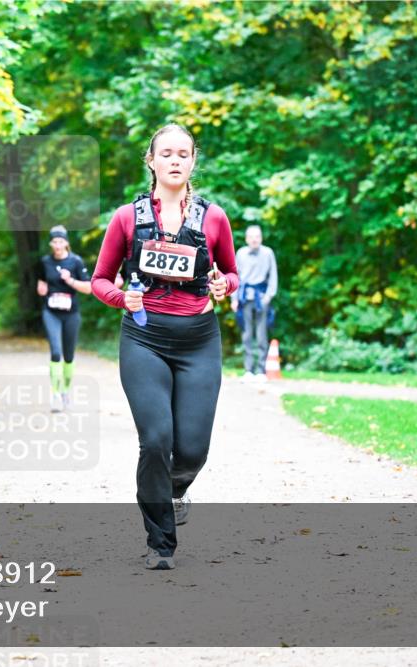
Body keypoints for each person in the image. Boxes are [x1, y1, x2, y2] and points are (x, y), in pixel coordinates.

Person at [91, 123, 238, 570]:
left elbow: (232, 273)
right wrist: (122, 297)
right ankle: (160, 544)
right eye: (166, 153)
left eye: (183, 154)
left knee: (192, 450)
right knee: (156, 440)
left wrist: (224, 285)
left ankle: (173, 490)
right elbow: (100, 280)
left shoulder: (214, 218)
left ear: (193, 162)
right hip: (144, 338)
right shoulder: (126, 217)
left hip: (198, 340)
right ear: (151, 161)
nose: (175, 160)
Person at [36, 225, 93, 412]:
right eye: (54, 242)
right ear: (51, 244)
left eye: (61, 241)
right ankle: (55, 395)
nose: (58, 245)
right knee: (55, 352)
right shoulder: (45, 262)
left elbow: (88, 288)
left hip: (71, 313)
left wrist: (70, 280)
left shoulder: (76, 261)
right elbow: (41, 284)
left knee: (68, 357)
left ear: (66, 243)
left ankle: (65, 392)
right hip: (51, 312)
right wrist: (41, 289)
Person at [231, 225, 278, 382]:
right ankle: (248, 370)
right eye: (251, 237)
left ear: (261, 238)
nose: (254, 239)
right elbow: (235, 275)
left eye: (257, 236)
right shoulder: (241, 253)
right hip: (244, 298)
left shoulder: (268, 253)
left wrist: (268, 297)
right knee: (246, 334)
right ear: (246, 239)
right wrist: (234, 298)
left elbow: (273, 276)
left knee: (261, 335)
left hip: (261, 298)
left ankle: (261, 371)